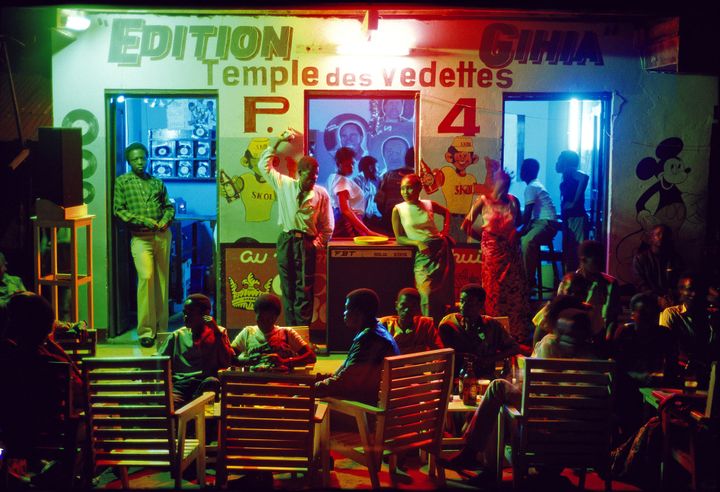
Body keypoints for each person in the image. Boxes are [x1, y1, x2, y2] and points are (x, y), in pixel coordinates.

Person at [439, 307, 599, 479]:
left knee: (498, 390)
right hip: (583, 441)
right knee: (500, 392)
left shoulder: (551, 346)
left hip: (546, 430)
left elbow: (540, 394)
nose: (559, 337)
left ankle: (474, 455)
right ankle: (475, 456)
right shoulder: (598, 362)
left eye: (561, 333)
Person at [0, 292, 84, 486]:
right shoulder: (49, 362)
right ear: (45, 327)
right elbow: (80, 391)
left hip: (11, 432)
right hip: (49, 432)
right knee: (100, 423)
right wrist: (55, 349)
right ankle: (57, 476)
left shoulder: (6, 354)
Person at [258, 129, 334, 326]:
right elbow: (263, 166)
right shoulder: (285, 185)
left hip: (306, 243)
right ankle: (292, 331)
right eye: (309, 177)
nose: (313, 181)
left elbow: (328, 225)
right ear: (300, 174)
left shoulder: (321, 194)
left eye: (316, 177)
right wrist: (277, 142)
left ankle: (303, 333)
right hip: (286, 240)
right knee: (288, 287)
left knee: (305, 289)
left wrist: (316, 244)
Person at [113, 142, 175, 348]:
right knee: (146, 278)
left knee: (162, 283)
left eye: (142, 158)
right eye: (135, 159)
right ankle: (146, 331)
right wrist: (144, 221)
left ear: (147, 158)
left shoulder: (157, 182)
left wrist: (166, 219)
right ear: (129, 161)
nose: (139, 162)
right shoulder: (122, 182)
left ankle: (162, 329)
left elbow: (169, 206)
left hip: (162, 235)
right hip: (140, 237)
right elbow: (119, 211)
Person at [462, 168, 531, 343]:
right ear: (495, 183)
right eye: (502, 182)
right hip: (492, 252)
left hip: (511, 251)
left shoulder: (513, 201)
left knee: (514, 291)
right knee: (495, 290)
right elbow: (466, 225)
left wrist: (518, 233)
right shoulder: (483, 201)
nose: (505, 187)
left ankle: (515, 332)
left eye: (508, 184)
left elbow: (522, 224)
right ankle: (493, 330)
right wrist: (486, 239)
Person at [315, 288, 399, 404]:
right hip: (376, 398)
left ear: (358, 313)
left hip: (367, 406)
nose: (344, 313)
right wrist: (315, 380)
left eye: (346, 308)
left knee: (306, 402)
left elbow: (344, 382)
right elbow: (347, 372)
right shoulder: (377, 331)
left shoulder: (369, 340)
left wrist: (308, 389)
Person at [611, 292, 676, 440]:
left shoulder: (664, 334)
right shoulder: (625, 333)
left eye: (653, 313)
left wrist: (663, 377)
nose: (650, 318)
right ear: (633, 315)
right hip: (628, 389)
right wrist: (642, 376)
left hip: (657, 389)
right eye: (644, 313)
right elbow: (617, 367)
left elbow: (672, 365)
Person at [392, 174, 455, 322]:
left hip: (441, 250)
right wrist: (417, 243)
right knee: (425, 293)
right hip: (423, 253)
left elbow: (446, 212)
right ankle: (427, 329)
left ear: (419, 188)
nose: (405, 192)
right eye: (402, 189)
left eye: (409, 188)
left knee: (444, 294)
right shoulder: (398, 209)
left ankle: (442, 329)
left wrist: (444, 232)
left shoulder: (428, 204)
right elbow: (400, 238)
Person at [157, 294, 234, 406]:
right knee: (168, 404)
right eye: (185, 313)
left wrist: (217, 333)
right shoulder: (177, 336)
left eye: (191, 313)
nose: (186, 317)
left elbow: (227, 361)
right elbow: (160, 361)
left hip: (204, 384)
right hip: (180, 385)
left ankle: (194, 404)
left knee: (212, 382)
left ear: (205, 315)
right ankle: (191, 406)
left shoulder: (218, 333)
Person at [438, 284, 520, 380]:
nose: (463, 306)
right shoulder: (449, 324)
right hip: (455, 378)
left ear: (480, 305)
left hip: (484, 379)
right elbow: (441, 353)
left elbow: (514, 348)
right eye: (462, 301)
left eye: (470, 303)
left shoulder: (491, 325)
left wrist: (489, 359)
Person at [659, 272, 718, 388]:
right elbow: (667, 349)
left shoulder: (712, 317)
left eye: (699, 290)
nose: (694, 294)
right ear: (681, 293)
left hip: (707, 376)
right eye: (690, 290)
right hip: (681, 375)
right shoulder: (672, 314)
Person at [231, 293, 316, 371]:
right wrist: (246, 361)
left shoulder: (287, 333)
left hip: (281, 383)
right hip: (254, 383)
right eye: (261, 318)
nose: (264, 322)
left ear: (276, 318)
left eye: (268, 319)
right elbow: (229, 357)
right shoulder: (247, 332)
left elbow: (311, 357)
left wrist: (284, 361)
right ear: (255, 315)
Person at [518, 158, 560, 290]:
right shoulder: (536, 185)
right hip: (544, 223)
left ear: (527, 171)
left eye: (523, 168)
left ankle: (528, 281)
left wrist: (519, 229)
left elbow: (527, 215)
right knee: (522, 240)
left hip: (546, 223)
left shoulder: (531, 187)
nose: (521, 171)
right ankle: (527, 277)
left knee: (527, 241)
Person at [328, 146, 383, 238]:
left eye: (352, 164)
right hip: (350, 224)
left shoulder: (336, 178)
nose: (351, 167)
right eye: (347, 165)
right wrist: (367, 231)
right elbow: (345, 210)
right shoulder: (342, 181)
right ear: (339, 164)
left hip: (352, 222)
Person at [575, 239, 621, 344]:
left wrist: (608, 340)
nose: (600, 265)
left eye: (601, 261)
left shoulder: (611, 283)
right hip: (574, 336)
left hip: (600, 338)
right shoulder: (570, 282)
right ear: (583, 260)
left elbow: (613, 318)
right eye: (596, 261)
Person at [531, 272, 592, 346]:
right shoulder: (548, 310)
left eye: (578, 293)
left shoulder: (588, 311)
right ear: (562, 290)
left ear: (585, 295)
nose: (573, 296)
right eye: (569, 291)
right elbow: (536, 344)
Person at [632, 223, 683, 309]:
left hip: (670, 299)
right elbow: (640, 285)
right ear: (651, 238)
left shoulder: (675, 259)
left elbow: (680, 281)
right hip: (649, 299)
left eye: (665, 235)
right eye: (658, 234)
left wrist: (670, 296)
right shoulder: (640, 259)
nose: (661, 237)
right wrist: (658, 299)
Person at [379, 287, 443, 354]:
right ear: (396, 305)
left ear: (418, 308)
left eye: (413, 306)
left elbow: (440, 352)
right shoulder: (384, 325)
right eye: (403, 305)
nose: (407, 310)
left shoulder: (425, 325)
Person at [556, 150, 589, 272]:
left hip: (576, 217)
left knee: (578, 251)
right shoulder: (566, 175)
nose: (557, 162)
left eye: (559, 159)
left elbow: (585, 177)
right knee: (571, 251)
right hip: (570, 218)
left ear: (565, 162)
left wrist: (574, 202)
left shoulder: (571, 172)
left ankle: (578, 280)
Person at [375, 147, 415, 235]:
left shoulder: (388, 175)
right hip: (412, 223)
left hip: (389, 223)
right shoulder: (419, 177)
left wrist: (388, 216)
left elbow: (379, 202)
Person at [354, 155, 382, 228]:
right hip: (357, 221)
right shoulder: (356, 181)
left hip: (367, 221)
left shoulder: (372, 186)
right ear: (370, 168)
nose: (378, 171)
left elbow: (372, 207)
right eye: (377, 167)